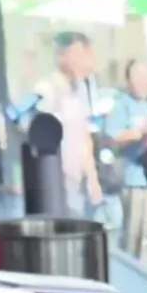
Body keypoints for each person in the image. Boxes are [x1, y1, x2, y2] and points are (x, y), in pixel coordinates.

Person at [35, 32, 102, 217]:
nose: (84, 62)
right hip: (54, 185)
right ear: (61, 56)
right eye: (78, 55)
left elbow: (84, 137)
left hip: (77, 184)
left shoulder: (79, 91)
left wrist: (92, 178)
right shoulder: (47, 90)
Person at [105, 60, 147, 258]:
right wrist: (140, 133)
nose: (142, 82)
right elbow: (113, 136)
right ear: (129, 81)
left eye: (145, 77)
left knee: (146, 233)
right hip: (132, 179)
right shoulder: (122, 104)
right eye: (137, 78)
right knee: (131, 234)